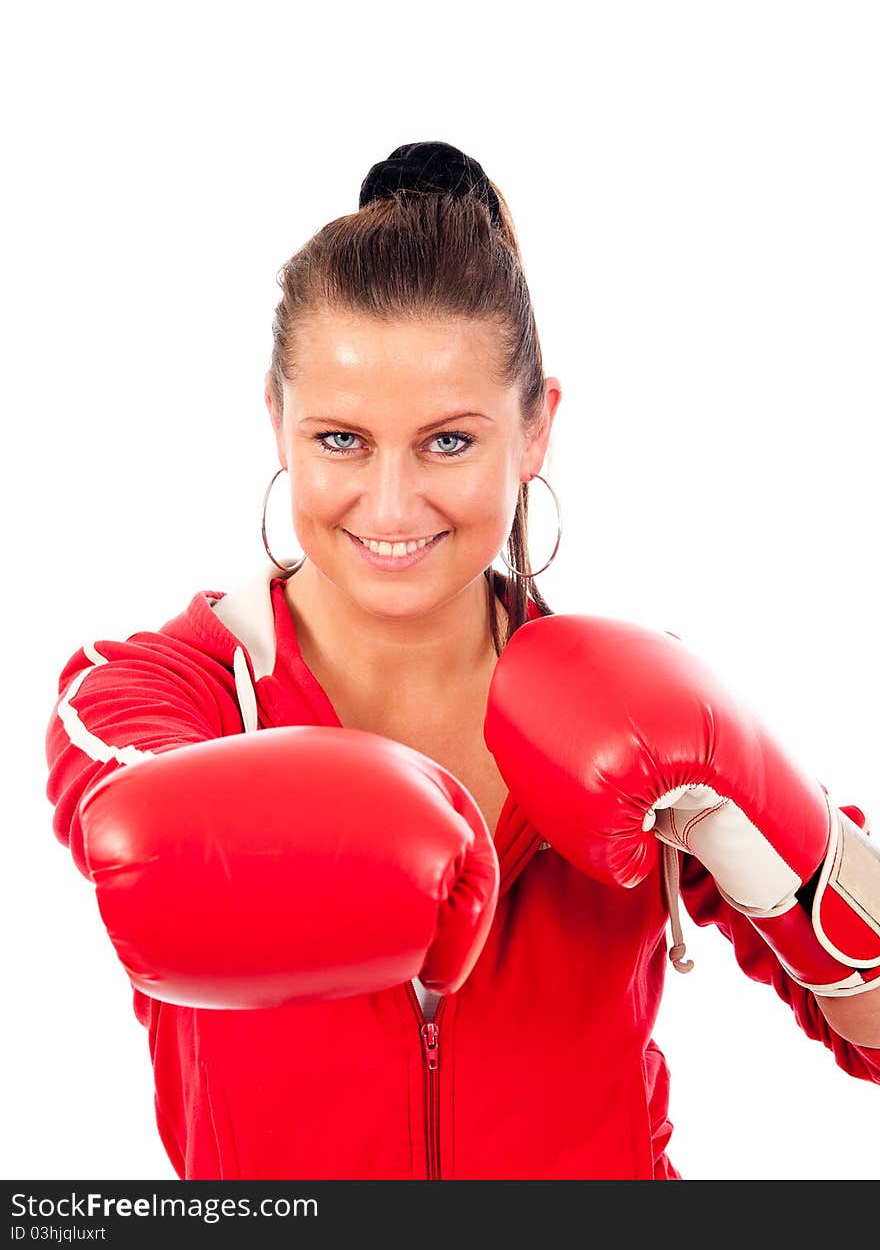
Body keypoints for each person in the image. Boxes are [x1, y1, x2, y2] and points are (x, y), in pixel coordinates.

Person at [44, 140, 880, 1181]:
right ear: (278, 424)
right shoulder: (167, 692)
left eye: (448, 442)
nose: (391, 508)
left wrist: (765, 835)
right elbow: (127, 820)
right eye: (342, 441)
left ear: (536, 431)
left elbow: (871, 1026)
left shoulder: (636, 711)